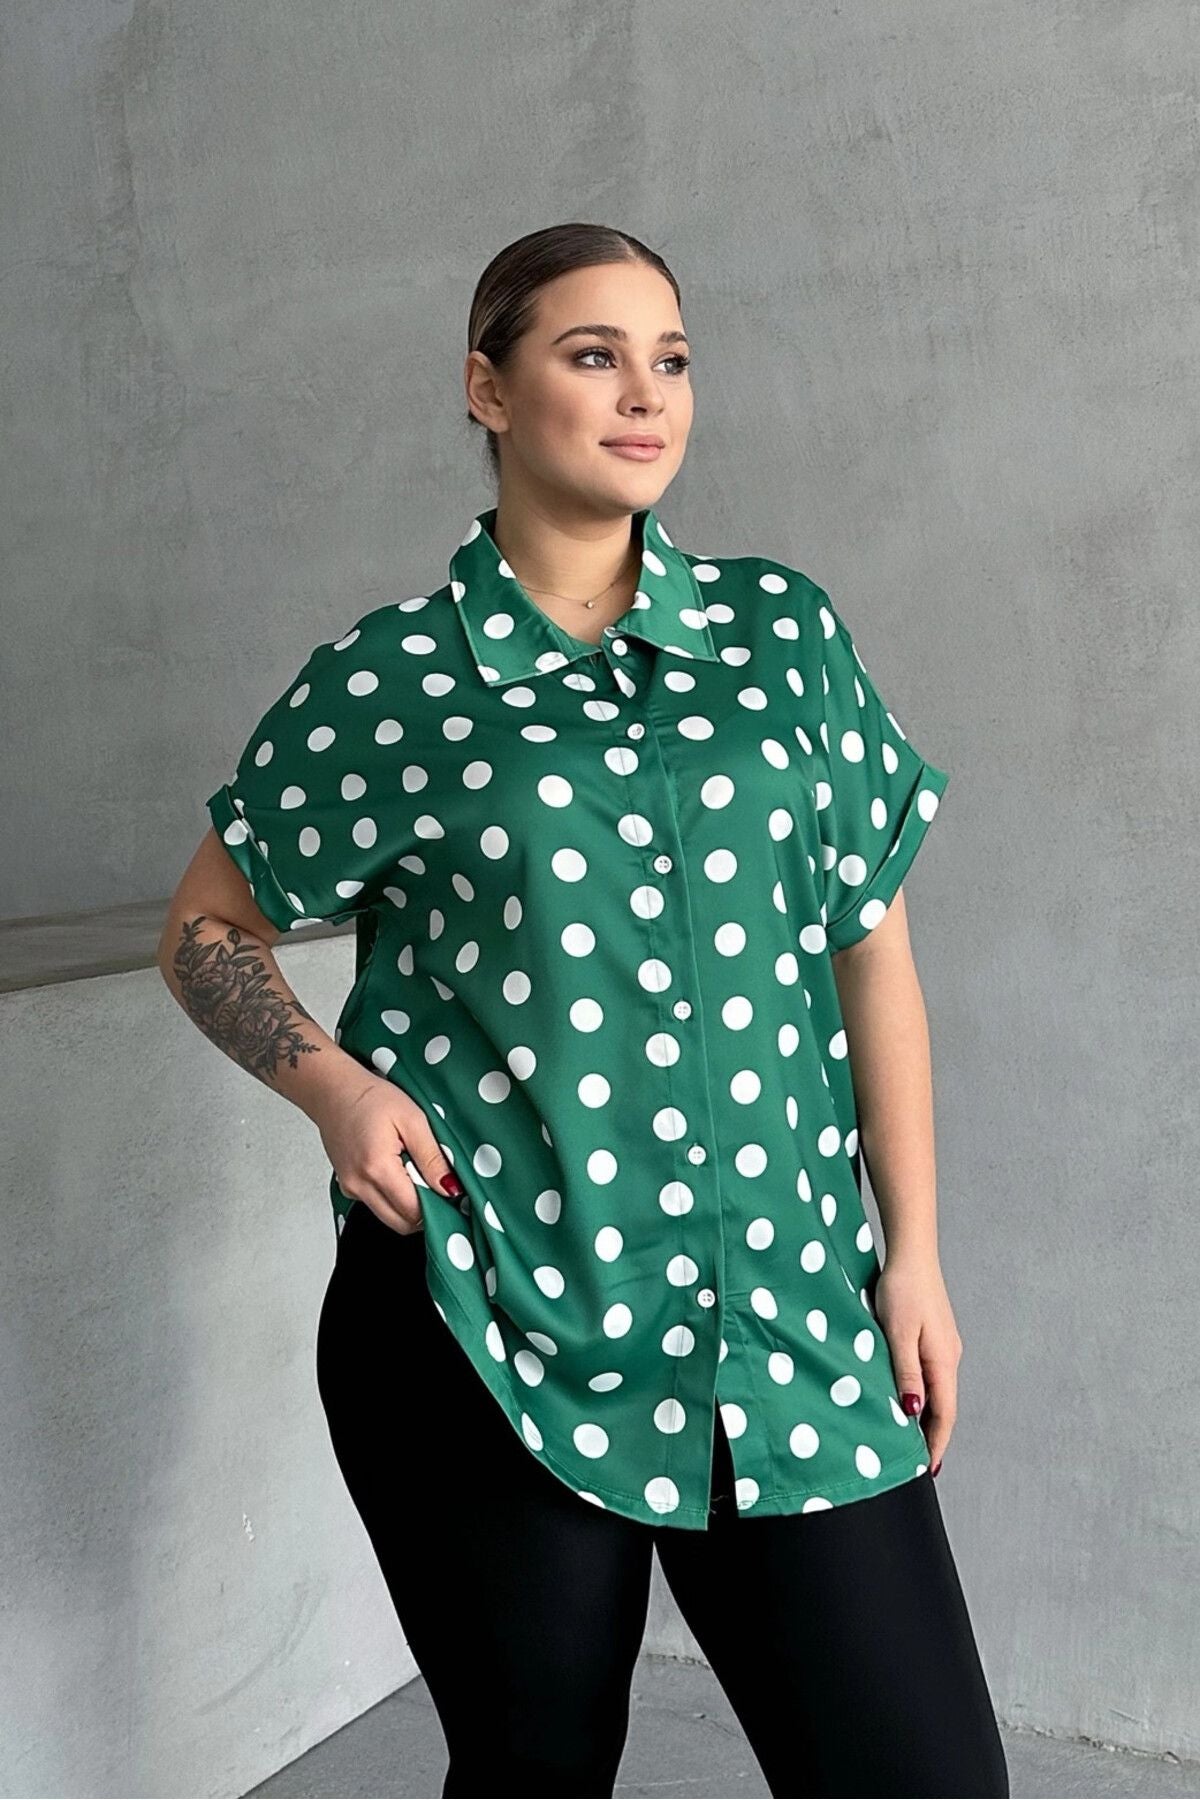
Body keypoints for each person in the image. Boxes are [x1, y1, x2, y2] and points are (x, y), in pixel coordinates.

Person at [158, 222, 1009, 1798]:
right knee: (534, 1772)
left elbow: (870, 948)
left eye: (669, 358)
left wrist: (917, 1256)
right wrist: (336, 1089)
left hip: (788, 1314)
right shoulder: (399, 679)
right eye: (592, 354)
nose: (644, 394)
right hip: (487, 1317)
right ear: (488, 390)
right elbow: (209, 925)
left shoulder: (783, 636)